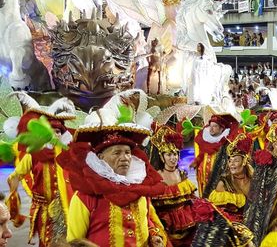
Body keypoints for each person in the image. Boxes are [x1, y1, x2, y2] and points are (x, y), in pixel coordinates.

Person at [58, 108, 168, 247]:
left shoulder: (141, 188)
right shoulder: (85, 197)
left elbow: (147, 219)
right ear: (100, 158)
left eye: (127, 152)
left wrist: (153, 235)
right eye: (117, 153)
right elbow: (74, 242)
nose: (125, 158)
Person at [7, 98, 76, 247]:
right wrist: (14, 198)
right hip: (43, 210)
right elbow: (15, 176)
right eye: (51, 131)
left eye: (58, 132)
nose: (55, 135)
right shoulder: (34, 155)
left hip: (67, 208)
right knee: (46, 242)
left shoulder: (69, 155)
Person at [149, 126, 197, 247]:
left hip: (187, 222)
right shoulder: (156, 177)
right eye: (169, 154)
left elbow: (190, 199)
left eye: (175, 154)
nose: (173, 158)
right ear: (161, 156)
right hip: (166, 225)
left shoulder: (182, 174)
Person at [190, 114, 239, 196]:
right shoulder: (205, 139)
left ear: (221, 128)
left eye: (215, 126)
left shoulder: (226, 142)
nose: (211, 129)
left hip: (219, 176)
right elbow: (202, 154)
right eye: (210, 126)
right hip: (204, 175)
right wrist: (196, 161)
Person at [209, 133, 253, 223]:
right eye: (230, 161)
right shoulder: (224, 184)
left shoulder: (254, 180)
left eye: (236, 160)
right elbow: (219, 218)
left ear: (244, 162)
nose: (231, 164)